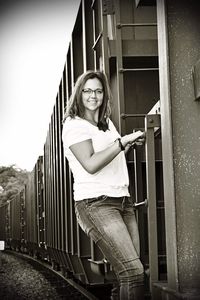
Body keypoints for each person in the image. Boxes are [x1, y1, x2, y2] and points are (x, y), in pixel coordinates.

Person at [62, 70, 145, 300]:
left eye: (98, 91)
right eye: (87, 90)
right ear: (79, 94)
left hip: (122, 201)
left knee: (124, 275)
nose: (93, 96)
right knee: (134, 272)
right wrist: (121, 142)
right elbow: (90, 163)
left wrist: (128, 145)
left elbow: (110, 154)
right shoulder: (73, 125)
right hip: (96, 204)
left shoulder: (106, 123)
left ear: (104, 94)